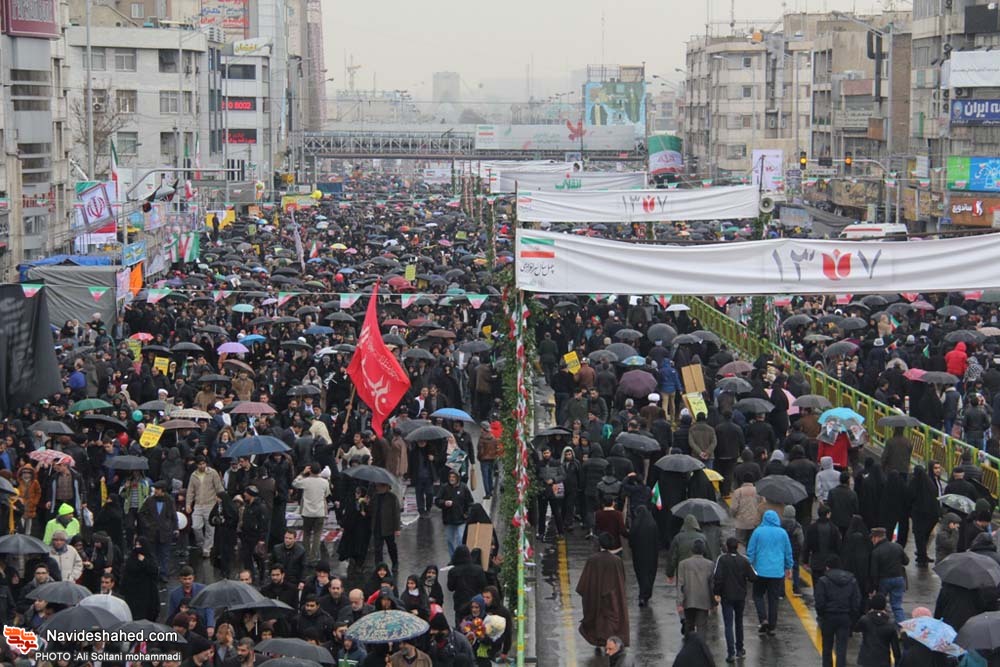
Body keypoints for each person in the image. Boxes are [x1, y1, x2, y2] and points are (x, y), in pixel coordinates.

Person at [576, 532, 629, 653]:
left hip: (595, 595)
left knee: (596, 618)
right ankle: (609, 643)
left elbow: (584, 582)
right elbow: (621, 580)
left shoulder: (592, 560)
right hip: (612, 596)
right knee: (610, 622)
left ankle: (598, 642)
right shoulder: (616, 561)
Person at [746, 509, 792, 636]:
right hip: (777, 572)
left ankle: (763, 619)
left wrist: (749, 565)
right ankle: (772, 625)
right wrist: (788, 566)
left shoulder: (758, 532)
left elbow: (751, 551)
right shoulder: (782, 533)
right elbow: (788, 552)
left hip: (760, 570)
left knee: (758, 595)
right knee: (773, 599)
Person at [814, 555, 862, 667]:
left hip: (828, 616)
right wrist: (852, 617)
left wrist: (821, 615)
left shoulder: (823, 581)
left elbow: (819, 601)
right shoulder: (852, 580)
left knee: (827, 647)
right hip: (845, 616)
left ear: (827, 567)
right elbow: (856, 601)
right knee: (842, 648)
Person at [713, 536, 755, 663]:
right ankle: (740, 649)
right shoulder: (744, 560)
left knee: (728, 624)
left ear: (727, 546)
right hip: (740, 596)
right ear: (737, 547)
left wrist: (716, 593)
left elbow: (717, 577)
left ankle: (731, 653)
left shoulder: (722, 559)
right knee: (739, 622)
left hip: (727, 596)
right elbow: (753, 577)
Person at [869, 526, 909, 624]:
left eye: (872, 538)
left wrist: (873, 587)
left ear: (876, 538)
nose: (872, 540)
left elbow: (874, 571)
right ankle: (902, 626)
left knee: (880, 604)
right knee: (897, 606)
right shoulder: (897, 546)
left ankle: (882, 624)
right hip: (899, 579)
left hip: (884, 580)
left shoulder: (876, 551)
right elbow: (906, 561)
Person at [292, 463, 330, 565]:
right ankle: (314, 556)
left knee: (306, 533)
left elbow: (294, 483)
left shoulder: (305, 481)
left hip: (307, 512)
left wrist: (302, 473)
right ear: (320, 471)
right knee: (317, 534)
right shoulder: (324, 482)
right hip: (320, 512)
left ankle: (306, 554)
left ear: (310, 470)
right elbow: (326, 494)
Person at [677, 540, 716, 636]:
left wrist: (680, 602)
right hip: (704, 600)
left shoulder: (683, 564)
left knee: (689, 625)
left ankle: (689, 643)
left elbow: (680, 584)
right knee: (702, 627)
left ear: (692, 550)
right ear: (703, 551)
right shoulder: (710, 564)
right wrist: (714, 602)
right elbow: (712, 585)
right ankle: (700, 644)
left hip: (688, 599)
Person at [854, 593, 901, 667]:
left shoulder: (865, 620)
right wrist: (897, 663)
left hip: (866, 659)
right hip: (883, 660)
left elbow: (856, 629)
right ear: (884, 606)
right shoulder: (890, 624)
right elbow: (896, 648)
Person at [435, 470, 473, 558]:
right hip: (449, 519)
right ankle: (453, 558)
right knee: (450, 540)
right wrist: (444, 503)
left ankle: (461, 557)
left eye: (453, 477)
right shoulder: (444, 487)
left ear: (457, 478)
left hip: (461, 519)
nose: (451, 479)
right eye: (450, 477)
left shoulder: (463, 487)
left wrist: (467, 514)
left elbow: (470, 502)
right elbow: (437, 500)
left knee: (460, 538)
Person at [629, 505, 659, 607]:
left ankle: (642, 595)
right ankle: (646, 594)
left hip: (638, 555)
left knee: (641, 575)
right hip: (651, 555)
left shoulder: (636, 524)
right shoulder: (652, 524)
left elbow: (631, 539)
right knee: (650, 574)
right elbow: (657, 541)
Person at [729, 474, 760, 545]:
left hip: (741, 523)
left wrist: (733, 516)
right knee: (753, 542)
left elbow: (733, 508)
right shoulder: (758, 491)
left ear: (743, 481)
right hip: (754, 522)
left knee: (740, 543)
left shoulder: (738, 492)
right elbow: (762, 505)